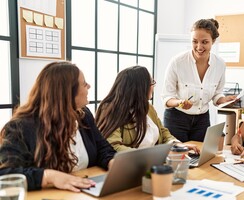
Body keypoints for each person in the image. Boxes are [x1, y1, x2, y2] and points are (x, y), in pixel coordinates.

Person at [0, 62, 116, 192]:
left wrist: (113, 162)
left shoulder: (84, 115)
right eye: (84, 84)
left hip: (84, 194)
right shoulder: (20, 127)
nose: (89, 86)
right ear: (67, 93)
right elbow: (6, 174)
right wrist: (49, 176)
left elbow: (102, 148)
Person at [161, 18, 237, 142]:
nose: (199, 47)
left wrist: (224, 100)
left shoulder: (220, 64)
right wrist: (179, 102)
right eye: (194, 41)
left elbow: (217, 95)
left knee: (200, 157)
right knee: (178, 157)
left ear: (213, 41)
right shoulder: (177, 62)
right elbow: (166, 97)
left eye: (204, 42)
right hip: (176, 119)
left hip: (202, 120)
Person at [95, 65, 199, 152]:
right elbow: (113, 146)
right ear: (141, 87)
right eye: (151, 82)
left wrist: (176, 145)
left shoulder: (148, 107)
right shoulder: (110, 109)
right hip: (131, 165)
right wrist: (149, 156)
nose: (153, 86)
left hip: (151, 163)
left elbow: (163, 133)